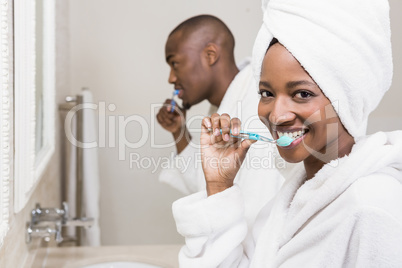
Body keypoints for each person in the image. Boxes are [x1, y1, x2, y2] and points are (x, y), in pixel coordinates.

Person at [172, 0, 402, 267]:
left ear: (346, 99)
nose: (277, 115)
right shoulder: (286, 203)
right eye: (266, 93)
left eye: (302, 94)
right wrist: (219, 186)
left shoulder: (372, 207)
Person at [157, 15, 295, 225]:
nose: (171, 78)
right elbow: (208, 183)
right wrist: (179, 131)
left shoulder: (257, 107)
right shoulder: (224, 106)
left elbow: (257, 216)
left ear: (210, 55)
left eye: (175, 63)